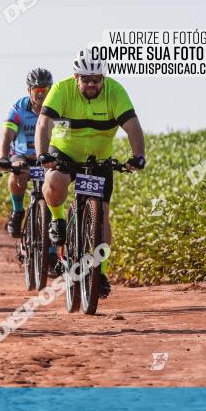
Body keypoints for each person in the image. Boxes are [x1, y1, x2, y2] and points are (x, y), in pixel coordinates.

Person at [34, 50, 146, 298]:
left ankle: (101, 272)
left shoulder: (115, 92)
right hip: (64, 152)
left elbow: (132, 127)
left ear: (103, 78)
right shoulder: (62, 90)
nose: (92, 84)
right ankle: (57, 218)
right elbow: (44, 124)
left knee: (103, 215)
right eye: (86, 79)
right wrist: (43, 154)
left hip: (99, 159)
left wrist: (138, 156)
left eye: (97, 79)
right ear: (76, 78)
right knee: (54, 180)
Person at [0, 68, 59, 272]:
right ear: (29, 90)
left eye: (45, 89)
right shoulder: (19, 108)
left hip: (47, 157)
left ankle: (51, 252)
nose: (41, 93)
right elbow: (6, 135)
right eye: (37, 89)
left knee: (54, 192)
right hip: (23, 155)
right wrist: (4, 158)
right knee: (19, 171)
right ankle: (17, 211)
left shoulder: (57, 107)